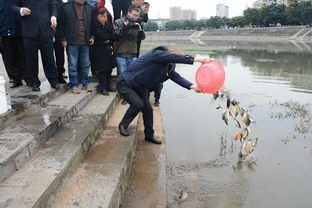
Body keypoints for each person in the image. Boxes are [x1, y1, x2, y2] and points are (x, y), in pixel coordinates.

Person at [116, 44, 210, 144]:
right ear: (169, 51)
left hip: (139, 86)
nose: (175, 59)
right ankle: (123, 125)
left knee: (148, 110)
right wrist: (197, 59)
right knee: (138, 104)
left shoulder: (169, 65)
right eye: (175, 56)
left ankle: (149, 135)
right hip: (126, 83)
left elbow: (176, 77)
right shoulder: (157, 53)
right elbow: (174, 57)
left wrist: (193, 87)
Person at [12, 0, 60, 91]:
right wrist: (21, 10)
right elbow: (14, 6)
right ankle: (34, 82)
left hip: (45, 30)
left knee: (49, 57)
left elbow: (53, 7)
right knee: (31, 59)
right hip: (29, 31)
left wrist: (53, 17)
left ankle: (53, 80)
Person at [58, 0, 95, 94]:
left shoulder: (89, 8)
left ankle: (85, 83)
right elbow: (60, 25)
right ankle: (74, 85)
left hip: (85, 41)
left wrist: (92, 36)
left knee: (86, 65)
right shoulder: (66, 7)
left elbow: (92, 24)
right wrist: (63, 39)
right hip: (71, 42)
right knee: (73, 65)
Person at [114, 5, 145, 75]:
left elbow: (142, 37)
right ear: (128, 13)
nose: (135, 17)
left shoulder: (138, 23)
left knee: (132, 76)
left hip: (133, 54)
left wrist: (140, 30)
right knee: (123, 77)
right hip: (121, 54)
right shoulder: (119, 22)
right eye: (134, 15)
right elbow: (115, 36)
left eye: (137, 16)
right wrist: (124, 27)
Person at [0, 0, 25, 88]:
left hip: (19, 30)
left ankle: (27, 77)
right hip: (4, 31)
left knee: (22, 55)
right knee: (10, 57)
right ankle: (16, 79)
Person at [92, 8, 116, 95]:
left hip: (108, 50)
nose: (103, 18)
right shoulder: (95, 25)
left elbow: (114, 35)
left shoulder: (109, 24)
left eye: (105, 17)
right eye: (101, 16)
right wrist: (107, 37)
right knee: (102, 70)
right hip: (99, 50)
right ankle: (103, 88)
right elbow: (100, 35)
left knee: (109, 69)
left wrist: (108, 38)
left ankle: (108, 87)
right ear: (98, 16)